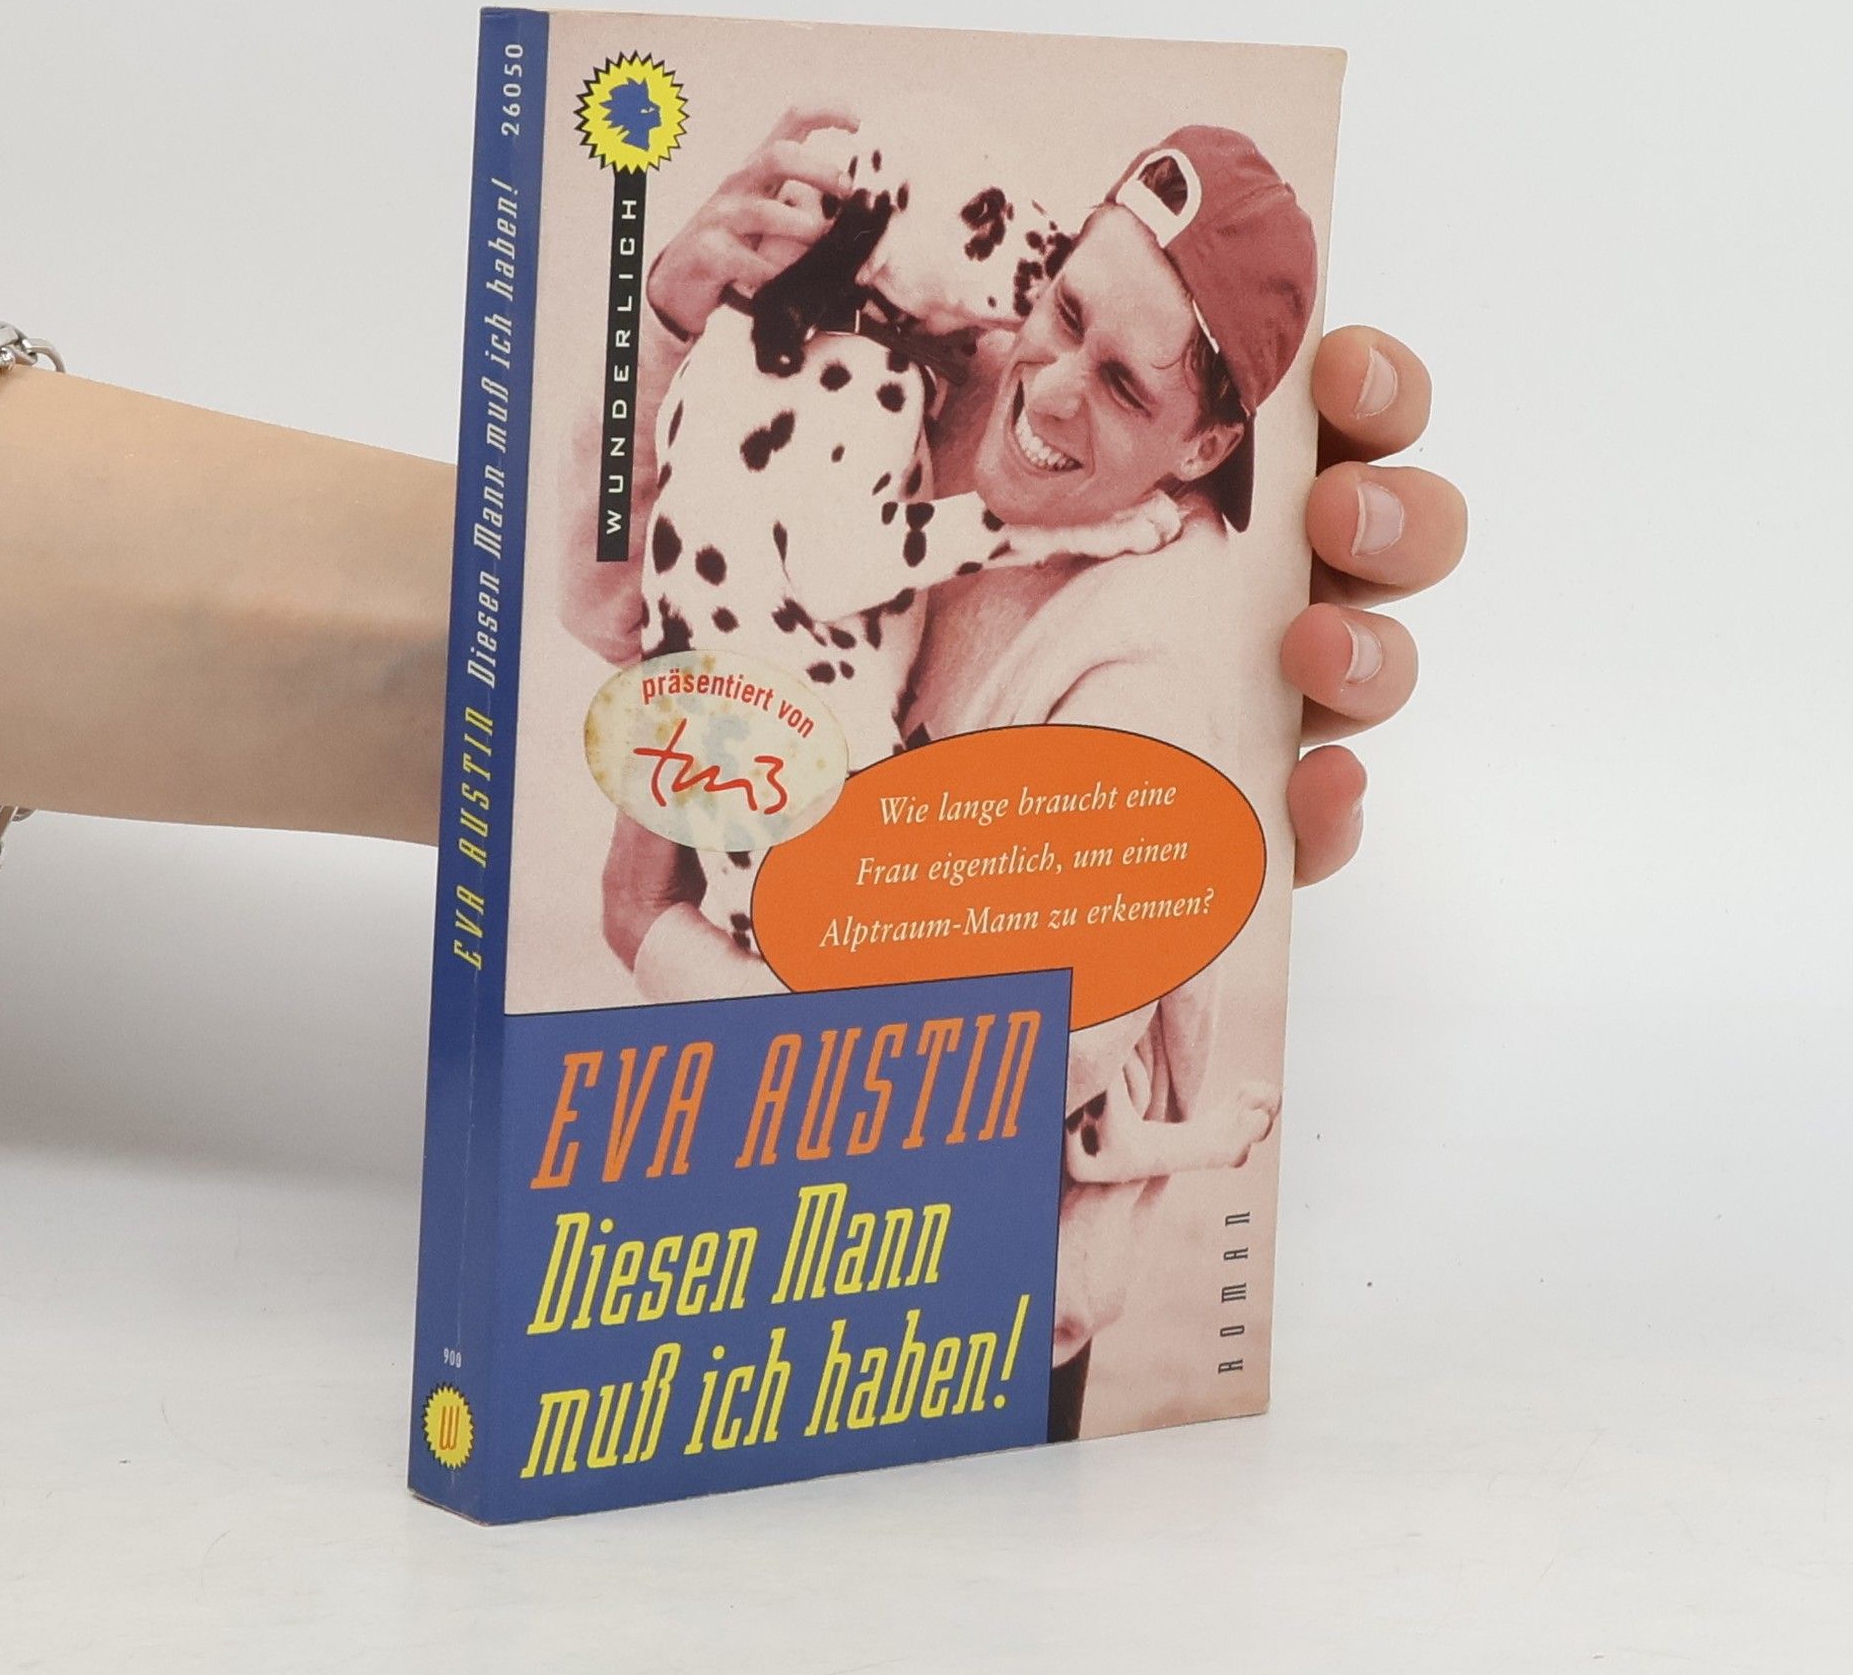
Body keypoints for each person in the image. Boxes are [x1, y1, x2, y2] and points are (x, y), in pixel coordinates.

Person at [562, 110, 1465, 1433]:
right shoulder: (956, 356)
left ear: (1203, 449)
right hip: (760, 1202)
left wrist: (650, 931)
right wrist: (670, 331)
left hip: (966, 1303)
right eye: (1066, 311)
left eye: (1128, 388)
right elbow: (606, 604)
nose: (1046, 389)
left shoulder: (1142, 676)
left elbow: (972, 1086)